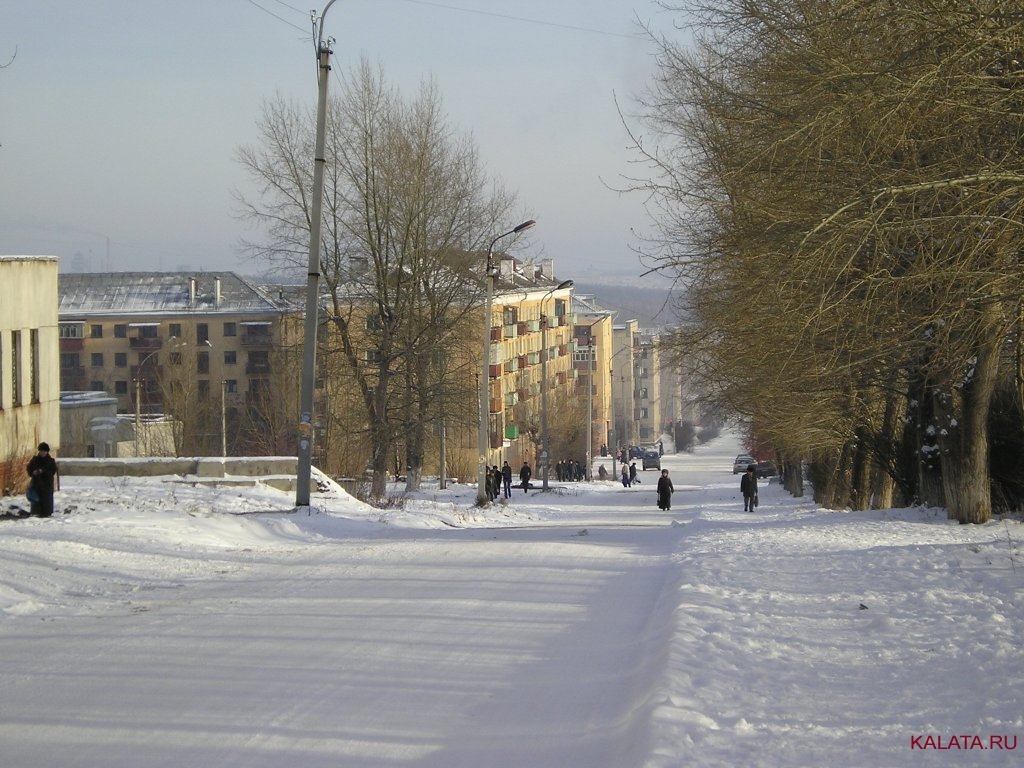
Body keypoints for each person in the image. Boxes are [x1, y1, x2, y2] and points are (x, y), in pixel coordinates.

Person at [26, 442, 58, 518]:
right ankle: (36, 513)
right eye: (41, 451)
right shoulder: (35, 460)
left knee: (46, 503)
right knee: (36, 502)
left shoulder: (50, 461)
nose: (42, 453)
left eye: (44, 451)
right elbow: (29, 469)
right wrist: (33, 472)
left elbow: (52, 472)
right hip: (36, 484)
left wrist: (42, 471)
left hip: (47, 485)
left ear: (47, 452)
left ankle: (46, 514)